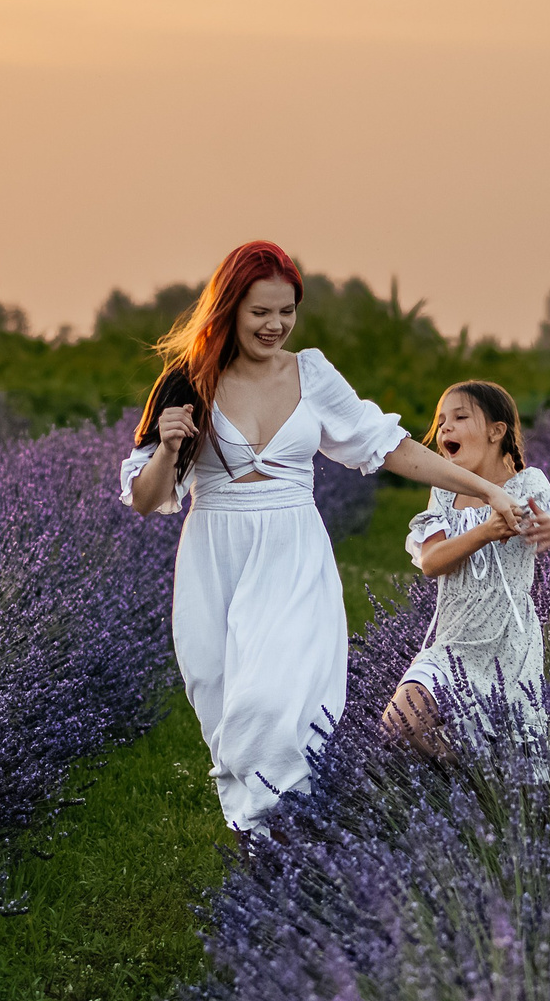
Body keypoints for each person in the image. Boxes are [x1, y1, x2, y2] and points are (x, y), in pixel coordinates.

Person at [120, 241, 522, 830]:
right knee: (224, 707)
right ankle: (267, 841)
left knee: (272, 704)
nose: (275, 325)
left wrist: (486, 489)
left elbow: (392, 448)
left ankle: (285, 839)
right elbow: (145, 498)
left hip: (293, 553)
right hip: (215, 556)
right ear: (228, 308)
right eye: (260, 312)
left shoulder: (309, 373)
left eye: (287, 311)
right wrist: (170, 446)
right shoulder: (189, 380)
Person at [383, 379, 550, 756]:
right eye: (441, 421)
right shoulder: (444, 492)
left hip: (508, 643)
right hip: (452, 641)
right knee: (401, 724)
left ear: (496, 432)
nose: (445, 428)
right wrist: (486, 532)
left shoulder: (527, 485)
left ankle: (496, 774)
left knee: (515, 744)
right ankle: (481, 774)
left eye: (460, 417)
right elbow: (431, 562)